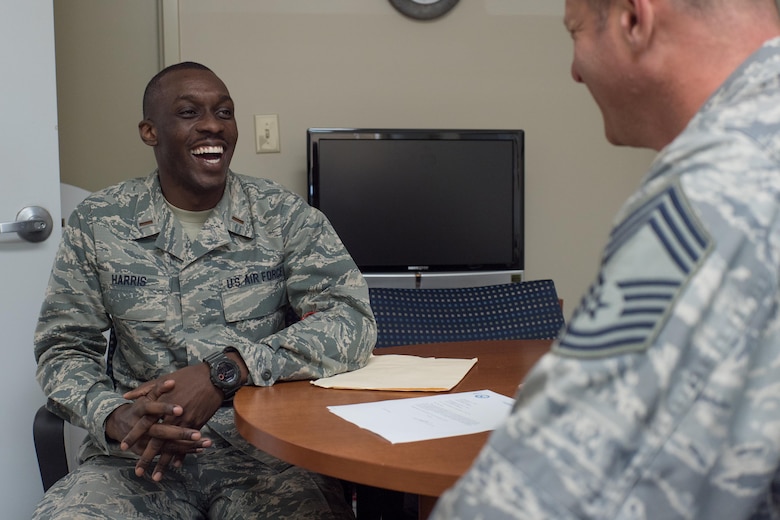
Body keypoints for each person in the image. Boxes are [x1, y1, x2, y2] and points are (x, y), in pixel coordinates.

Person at [431, 0, 780, 518]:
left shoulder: (725, 184)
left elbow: (553, 494)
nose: (573, 70)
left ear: (635, 21)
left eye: (574, 33)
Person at [33, 61, 376, 519]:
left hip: (263, 454)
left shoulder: (282, 215)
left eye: (225, 112)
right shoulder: (99, 223)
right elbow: (63, 349)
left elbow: (352, 322)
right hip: (136, 458)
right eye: (190, 112)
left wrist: (228, 369)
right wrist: (115, 416)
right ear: (150, 132)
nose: (213, 125)